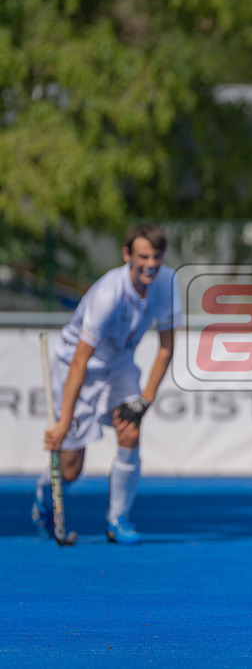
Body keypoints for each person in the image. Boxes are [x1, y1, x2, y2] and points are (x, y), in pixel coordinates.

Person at [32, 224, 180, 545]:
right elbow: (80, 362)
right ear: (127, 255)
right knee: (70, 469)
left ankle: (118, 520)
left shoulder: (167, 282)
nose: (150, 264)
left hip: (120, 365)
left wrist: (145, 399)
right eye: (143, 256)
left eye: (156, 256)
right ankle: (44, 497)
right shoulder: (107, 294)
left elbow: (166, 347)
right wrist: (63, 422)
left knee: (131, 430)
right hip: (78, 368)